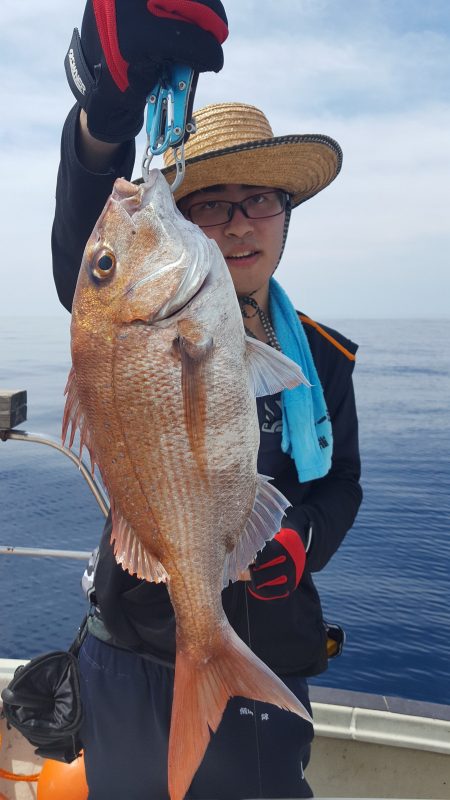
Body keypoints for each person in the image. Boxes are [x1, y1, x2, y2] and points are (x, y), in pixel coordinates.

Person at [52, 3, 362, 798]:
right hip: (129, 644)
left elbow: (340, 486)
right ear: (183, 222)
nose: (239, 222)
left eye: (260, 201)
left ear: (286, 219)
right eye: (212, 202)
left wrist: (302, 539)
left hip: (267, 646)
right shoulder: (138, 321)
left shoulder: (323, 358)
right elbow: (86, 259)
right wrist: (102, 115)